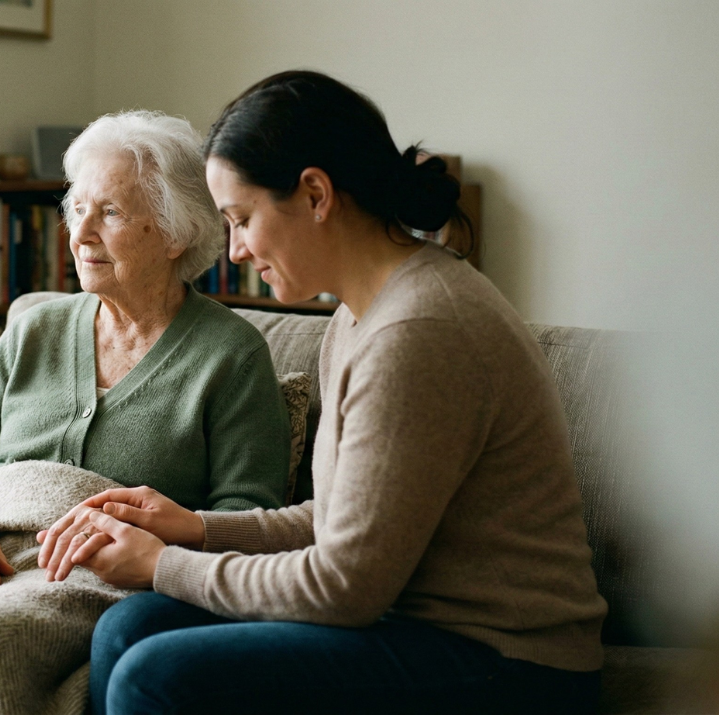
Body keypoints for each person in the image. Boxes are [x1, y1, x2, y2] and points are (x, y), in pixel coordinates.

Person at [41, 71, 608, 714]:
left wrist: (162, 564)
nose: (235, 249)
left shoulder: (421, 330)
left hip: (505, 662)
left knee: (158, 675)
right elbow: (340, 521)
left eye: (243, 218)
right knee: (129, 626)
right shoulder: (357, 315)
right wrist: (194, 528)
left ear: (315, 194)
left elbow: (345, 586)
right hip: (410, 625)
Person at [0, 109, 292, 595]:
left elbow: (246, 517)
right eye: (78, 209)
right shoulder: (34, 331)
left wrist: (147, 539)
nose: (81, 233)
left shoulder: (231, 356)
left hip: (97, 583)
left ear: (176, 233)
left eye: (110, 212)